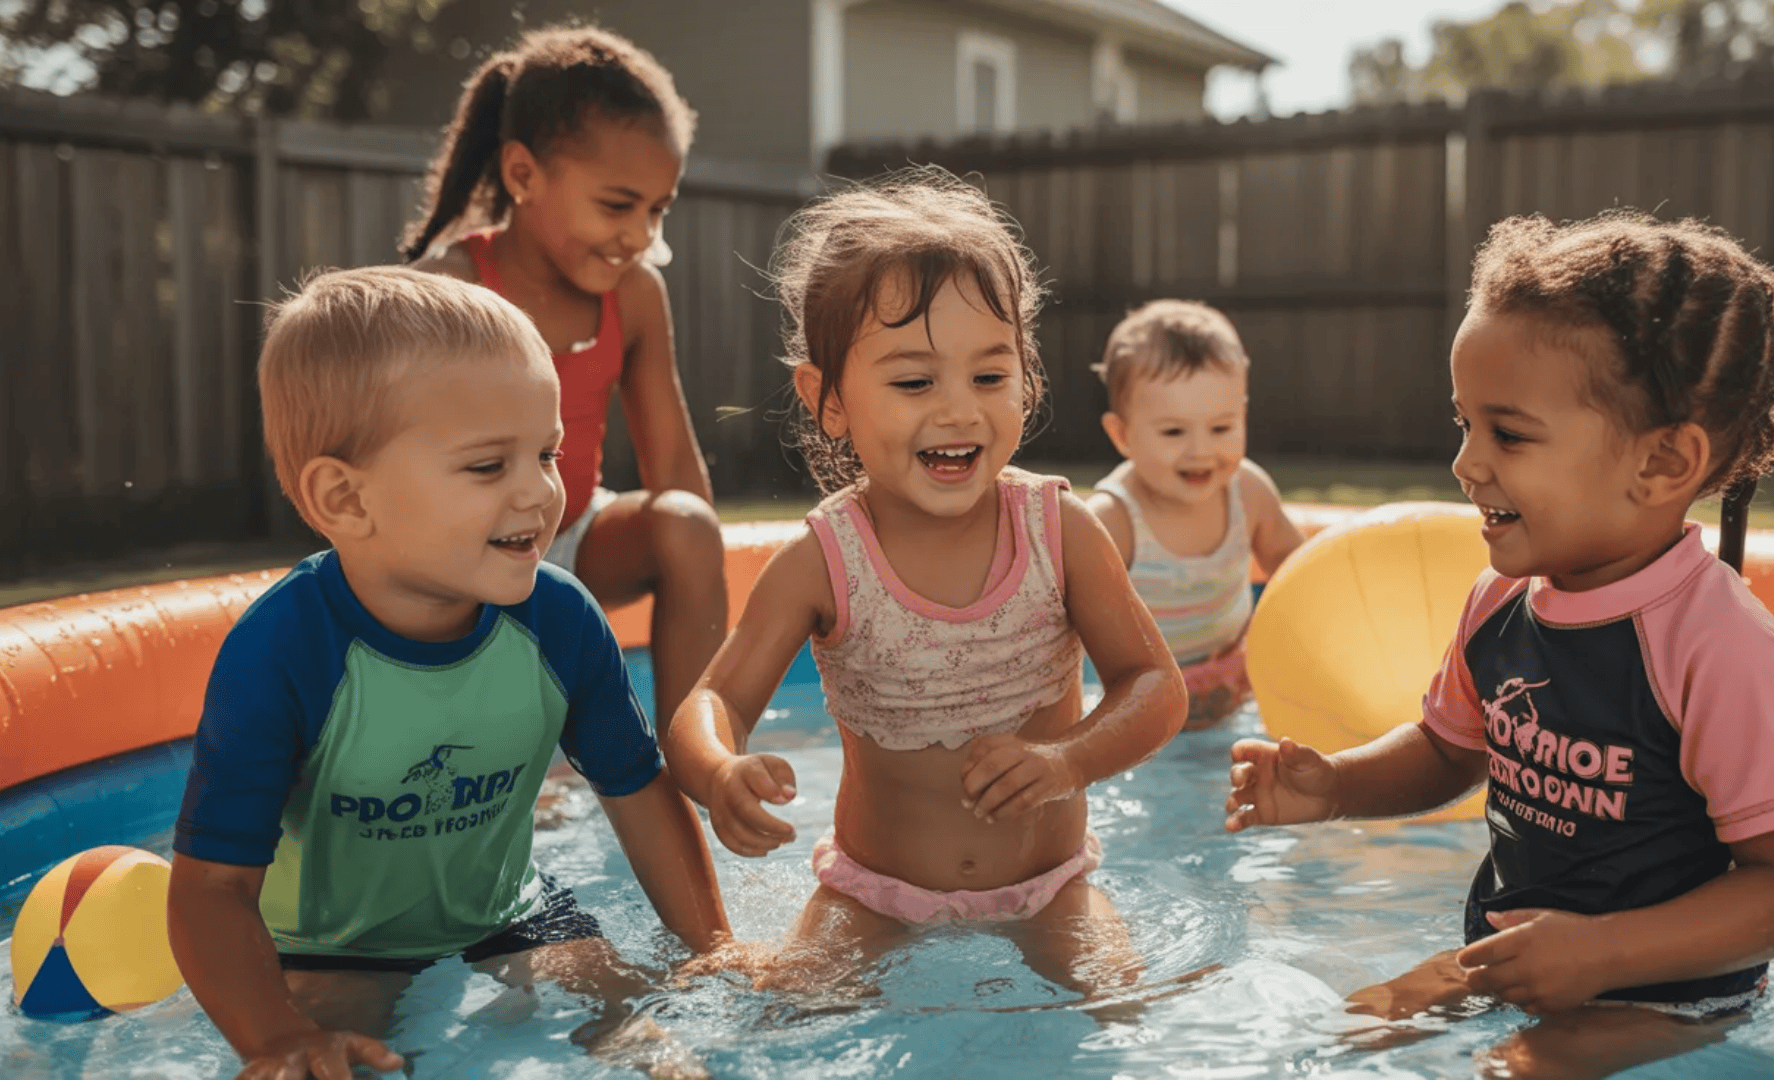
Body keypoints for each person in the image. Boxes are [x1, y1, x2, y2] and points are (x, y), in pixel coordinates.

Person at [1223, 212, 1774, 1078]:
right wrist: (1335, 786)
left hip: (1662, 992)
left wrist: (1605, 953)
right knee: (1345, 1040)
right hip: (1512, 956)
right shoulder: (1500, 600)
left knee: (1513, 1072)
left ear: (1663, 464)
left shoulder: (1718, 647)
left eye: (1508, 434)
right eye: (1464, 424)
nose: (1465, 463)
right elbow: (1449, 750)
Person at [168, 267, 741, 1080]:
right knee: (331, 1057)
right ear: (346, 498)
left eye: (546, 453)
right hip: (330, 945)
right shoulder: (284, 652)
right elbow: (212, 890)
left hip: (510, 910)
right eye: (487, 467)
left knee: (642, 1029)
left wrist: (712, 947)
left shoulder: (558, 619)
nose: (540, 492)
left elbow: (637, 788)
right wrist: (274, 1034)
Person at [664, 169, 1187, 997]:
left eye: (989, 377)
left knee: (1118, 997)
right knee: (787, 1007)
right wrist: (719, 771)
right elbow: (713, 701)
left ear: (1026, 379)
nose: (958, 411)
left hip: (1051, 886)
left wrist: (1067, 760)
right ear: (829, 399)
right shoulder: (824, 562)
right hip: (873, 894)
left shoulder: (1059, 531)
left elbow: (1156, 687)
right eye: (914, 382)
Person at [404, 25, 724, 733]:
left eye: (657, 210)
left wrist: (705, 568)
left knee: (687, 525)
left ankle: (696, 757)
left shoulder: (634, 295)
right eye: (617, 205)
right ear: (524, 175)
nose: (640, 235)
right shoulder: (449, 293)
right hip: (455, 560)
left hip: (570, 537)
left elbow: (674, 467)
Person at [1086, 300, 1305, 728]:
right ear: (1122, 435)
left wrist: (1263, 649)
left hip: (1234, 698)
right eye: (1173, 431)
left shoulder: (1248, 493)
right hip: (1140, 716)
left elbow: (1300, 574)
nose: (1201, 450)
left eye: (1221, 428)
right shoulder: (1114, 521)